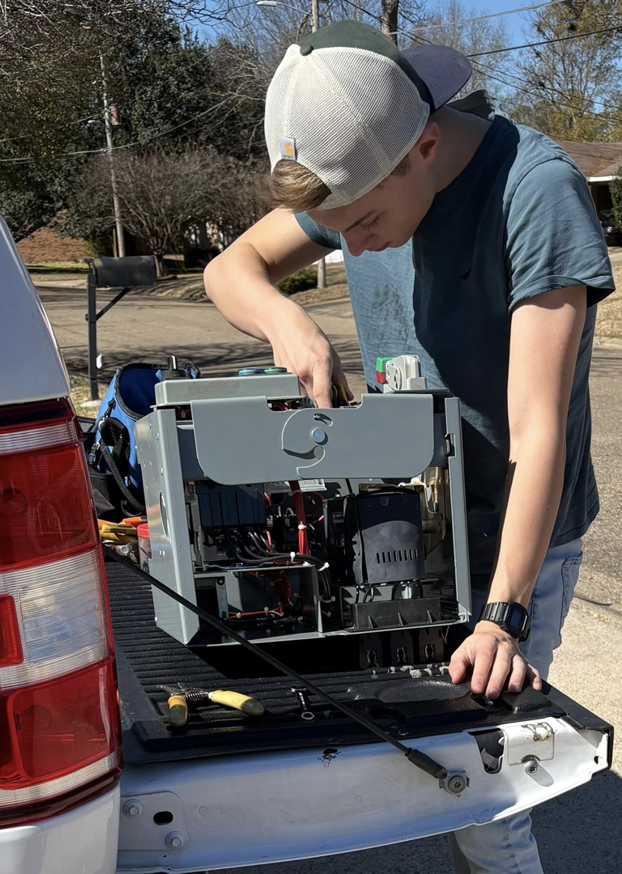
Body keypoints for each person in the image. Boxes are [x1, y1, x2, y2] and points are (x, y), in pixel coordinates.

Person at [204, 20, 614, 873]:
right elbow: (230, 269)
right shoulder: (365, 176)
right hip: (414, 520)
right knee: (395, 752)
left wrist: (506, 613)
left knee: (483, 788)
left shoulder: (535, 193)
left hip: (515, 536)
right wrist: (289, 319)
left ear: (422, 146)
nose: (348, 246)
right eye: (333, 229)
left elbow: (537, 433)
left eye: (363, 221)